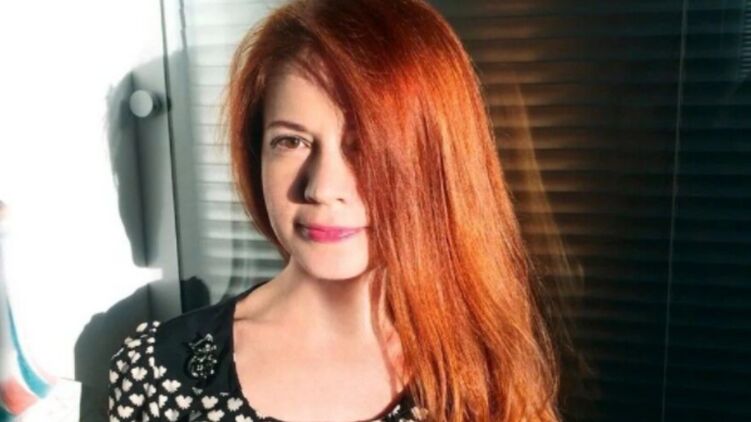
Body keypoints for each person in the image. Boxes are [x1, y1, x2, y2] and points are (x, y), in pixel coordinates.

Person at [107, 0, 561, 421]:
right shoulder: (158, 374)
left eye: (365, 147)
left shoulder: (488, 366)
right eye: (291, 141)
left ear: (435, 164)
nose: (322, 188)